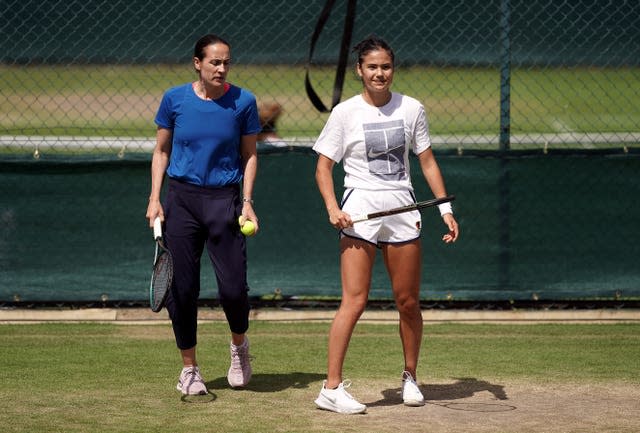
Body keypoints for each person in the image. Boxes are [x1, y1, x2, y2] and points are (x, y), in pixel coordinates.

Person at [312, 35, 459, 414]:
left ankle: (410, 377)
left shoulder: (412, 109)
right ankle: (331, 388)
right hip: (358, 210)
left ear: (393, 69)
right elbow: (324, 168)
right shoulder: (344, 113)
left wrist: (444, 210)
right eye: (372, 67)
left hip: (402, 209)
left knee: (408, 302)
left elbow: (426, 162)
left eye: (386, 67)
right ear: (359, 70)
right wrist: (332, 208)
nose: (380, 74)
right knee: (354, 300)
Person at [145, 33, 261, 396]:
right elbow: (161, 151)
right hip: (181, 200)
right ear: (197, 63)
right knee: (182, 289)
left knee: (232, 289)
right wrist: (155, 197)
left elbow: (250, 155)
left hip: (224, 200)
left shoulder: (244, 102)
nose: (222, 68)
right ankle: (190, 369)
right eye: (214, 61)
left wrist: (247, 201)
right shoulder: (174, 99)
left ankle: (239, 347)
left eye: (226, 62)